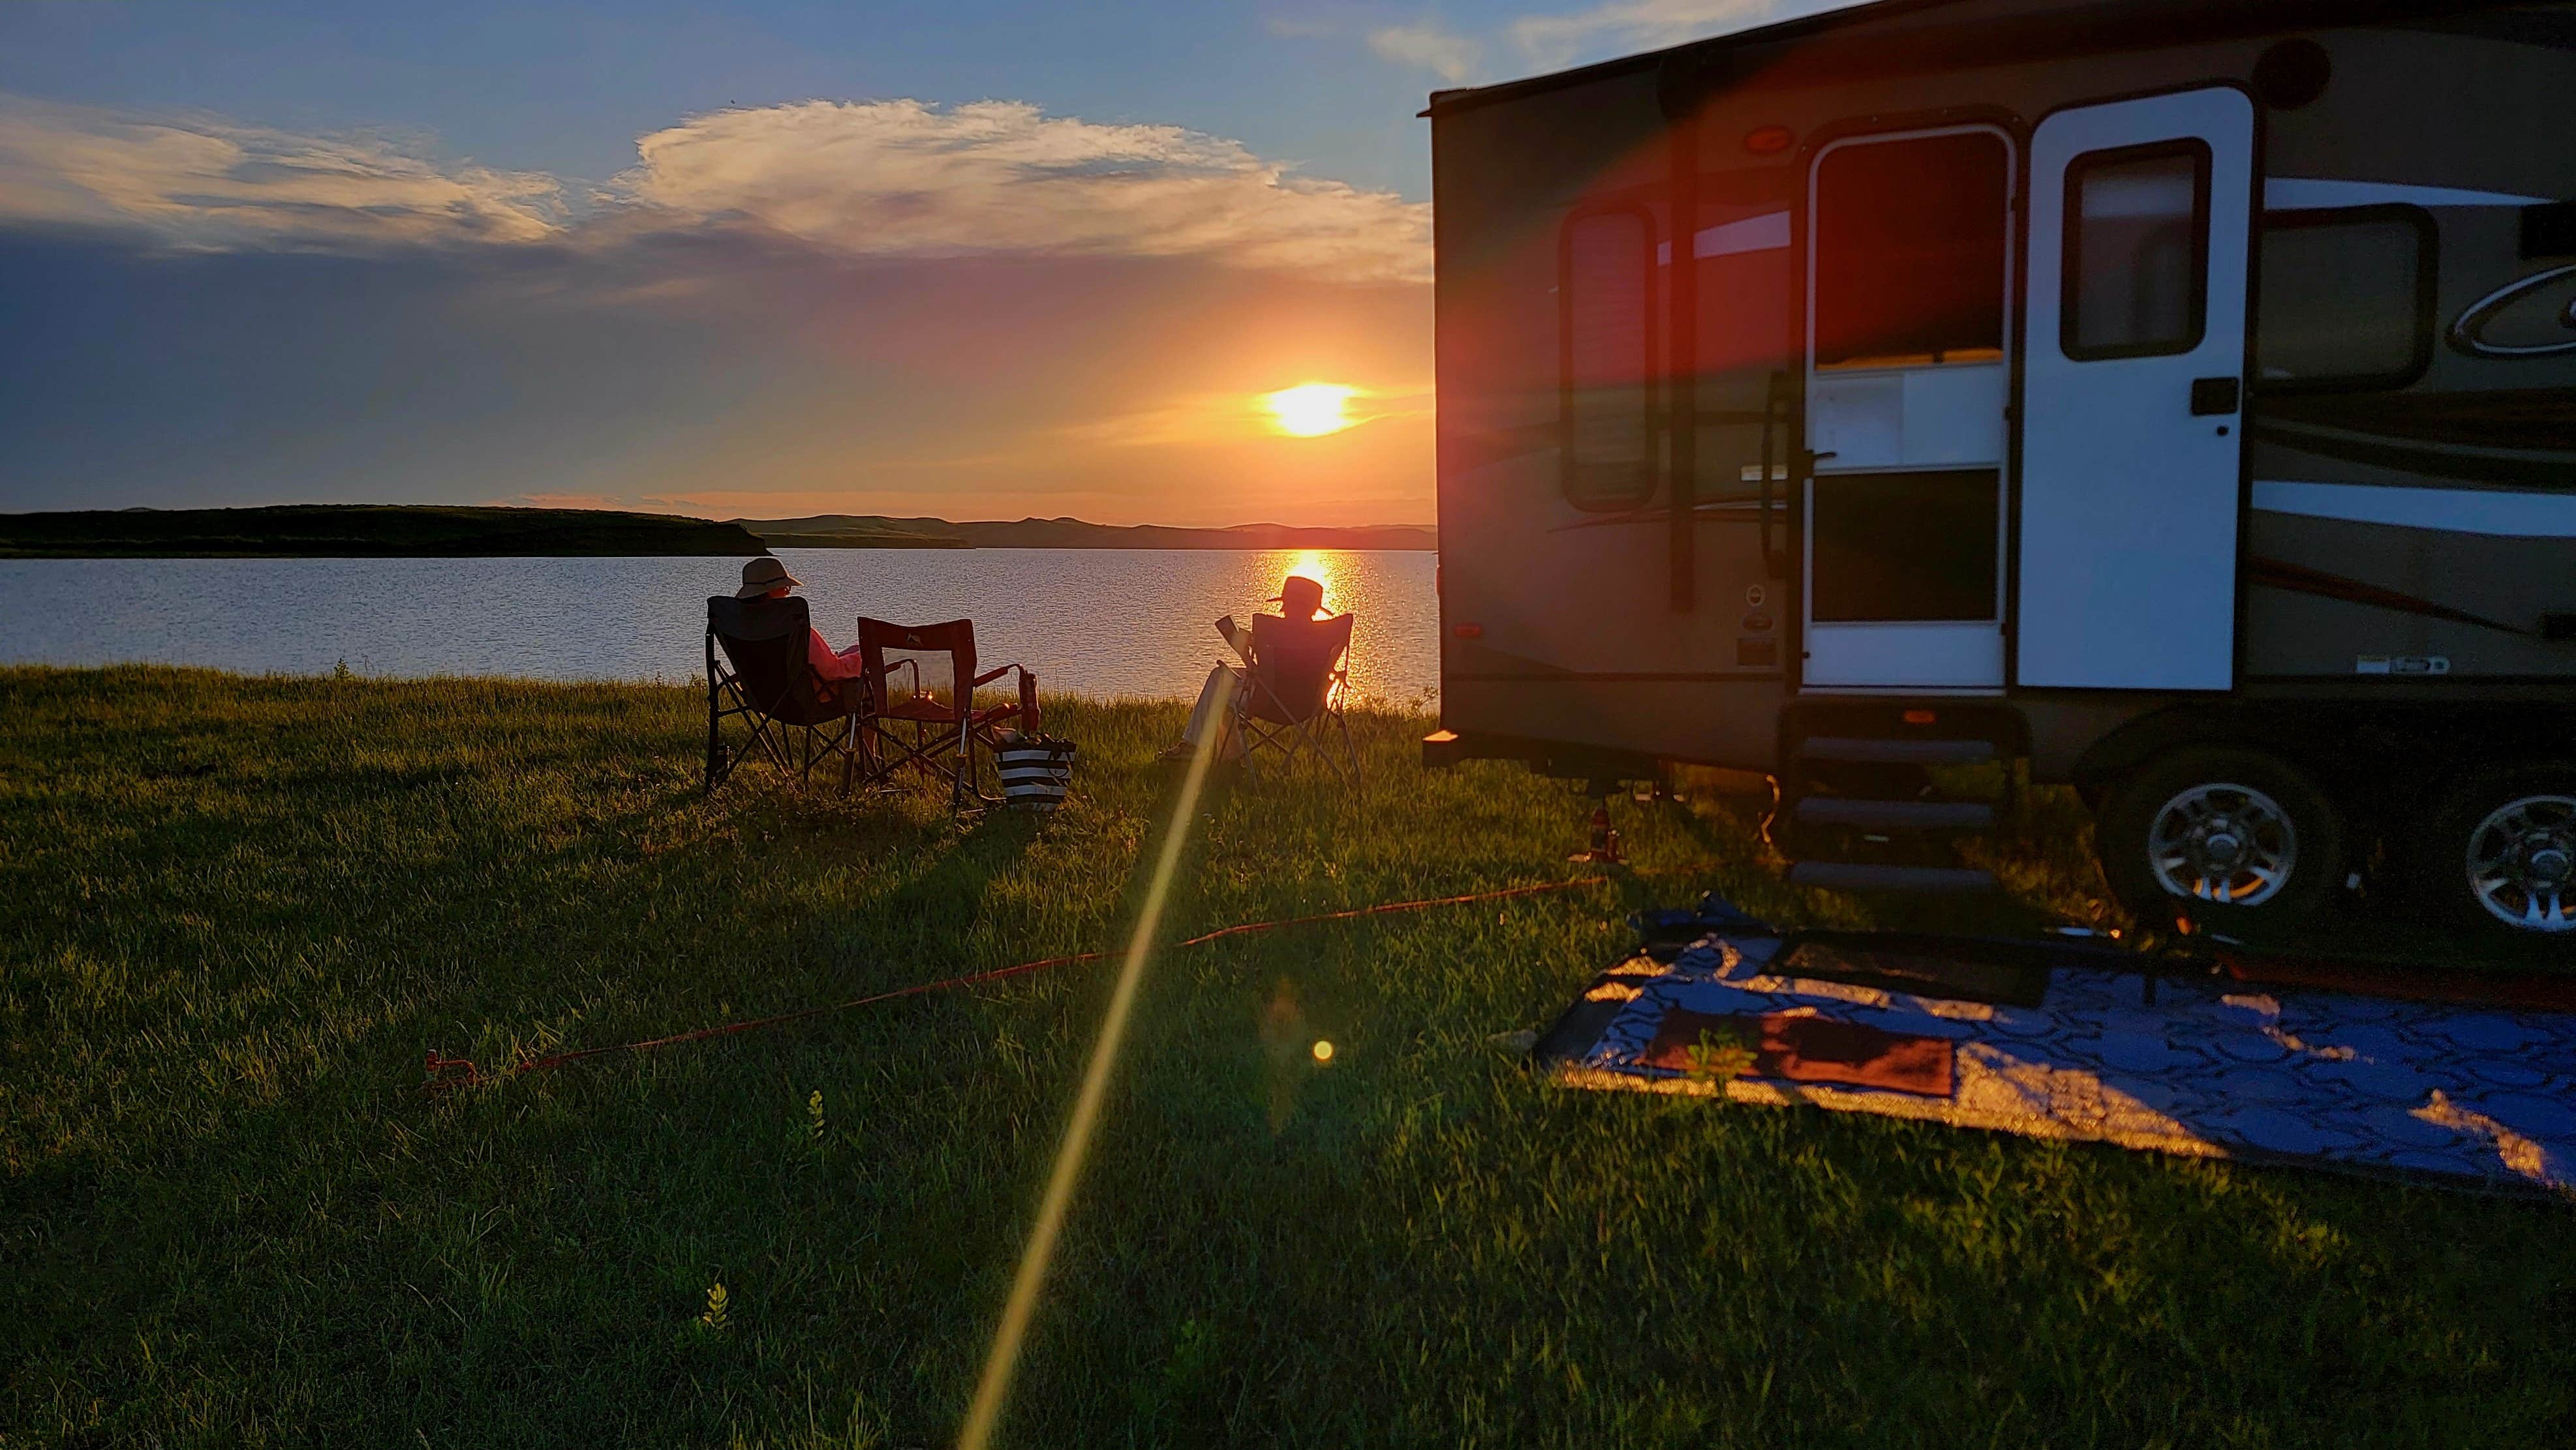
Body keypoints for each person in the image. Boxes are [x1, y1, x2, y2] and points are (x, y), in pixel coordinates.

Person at [1163, 574, 1331, 761]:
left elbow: (1261, 676)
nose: (1282, 609)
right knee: (1222, 680)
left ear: (1289, 605)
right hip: (1309, 704)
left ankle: (1196, 747)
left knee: (1220, 680)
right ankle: (1227, 757)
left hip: (1269, 702)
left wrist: (1243, 651)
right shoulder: (1325, 638)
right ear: (1315, 609)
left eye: (1285, 604)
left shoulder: (1271, 632)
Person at [736, 556, 864, 685]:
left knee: (857, 649)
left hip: (765, 697)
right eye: (785, 587)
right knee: (869, 658)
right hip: (811, 699)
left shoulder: (741, 629)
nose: (788, 592)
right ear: (772, 591)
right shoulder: (794, 628)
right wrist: (864, 658)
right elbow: (831, 671)